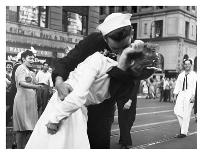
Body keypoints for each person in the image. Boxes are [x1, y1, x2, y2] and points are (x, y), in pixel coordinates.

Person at [25, 39, 147, 149]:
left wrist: (55, 118)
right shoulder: (109, 65)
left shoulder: (101, 61)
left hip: (70, 108)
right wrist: (59, 80)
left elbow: (79, 96)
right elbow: (67, 64)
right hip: (73, 108)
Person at [48, 13, 142, 149]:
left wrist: (126, 65)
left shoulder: (134, 51)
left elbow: (127, 86)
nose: (120, 51)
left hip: (103, 108)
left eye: (124, 46)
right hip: (75, 106)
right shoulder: (93, 42)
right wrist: (58, 81)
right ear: (105, 38)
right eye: (115, 48)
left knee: (98, 143)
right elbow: (66, 62)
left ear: (132, 33)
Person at [13, 50, 42, 148]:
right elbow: (21, 83)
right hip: (22, 100)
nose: (32, 60)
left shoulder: (30, 71)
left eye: (33, 58)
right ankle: (19, 148)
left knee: (29, 128)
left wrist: (37, 85)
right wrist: (35, 87)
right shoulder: (21, 68)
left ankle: (25, 148)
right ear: (23, 59)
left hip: (30, 101)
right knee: (21, 128)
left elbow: (33, 84)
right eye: (30, 58)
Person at [173, 58, 197, 138]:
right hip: (181, 93)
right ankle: (184, 129)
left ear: (191, 65)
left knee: (187, 113)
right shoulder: (181, 74)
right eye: (185, 64)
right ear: (184, 65)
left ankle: (183, 132)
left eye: (188, 64)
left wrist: (193, 96)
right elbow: (178, 85)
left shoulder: (194, 75)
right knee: (177, 110)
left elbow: (195, 86)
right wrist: (175, 94)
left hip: (189, 94)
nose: (187, 65)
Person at [6, 61, 13, 126]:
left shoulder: (13, 75)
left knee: (10, 106)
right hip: (5, 92)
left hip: (11, 93)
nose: (9, 67)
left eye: (10, 66)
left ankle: (7, 119)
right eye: (8, 66)